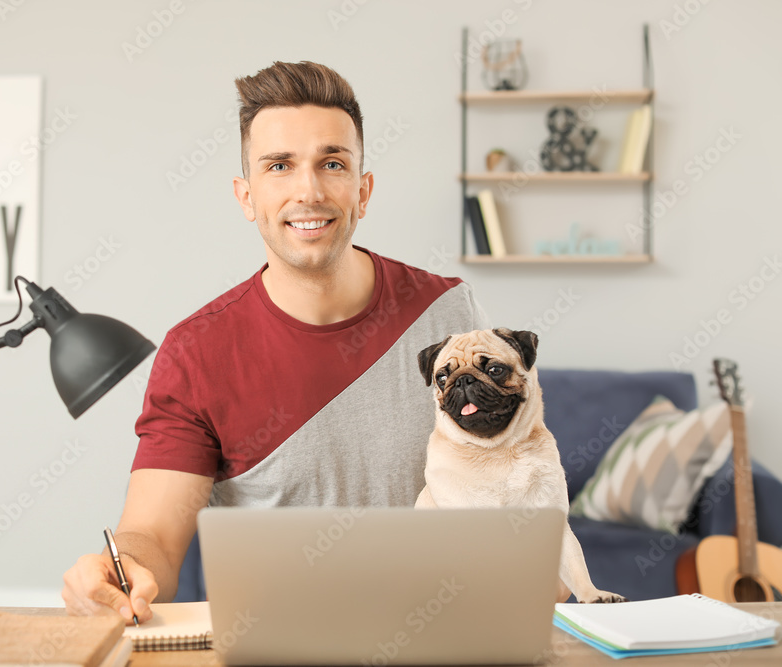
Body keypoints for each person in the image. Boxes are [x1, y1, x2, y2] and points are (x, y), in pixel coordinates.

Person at [61, 60, 530, 620]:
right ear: (246, 195)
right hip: (279, 642)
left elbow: (511, 475)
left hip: (444, 631)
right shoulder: (195, 353)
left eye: (332, 163)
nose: (308, 190)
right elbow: (153, 539)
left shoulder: (449, 312)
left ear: (363, 189)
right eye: (279, 166)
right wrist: (124, 568)